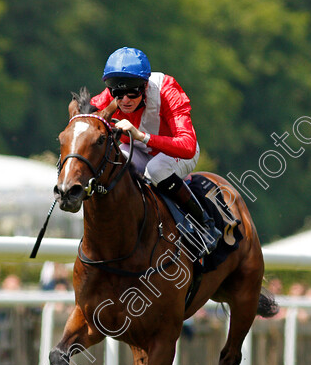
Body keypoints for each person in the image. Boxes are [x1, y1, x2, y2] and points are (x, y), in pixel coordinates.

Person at [90, 47, 221, 254]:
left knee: (156, 169)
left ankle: (203, 225)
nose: (124, 100)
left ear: (145, 85)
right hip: (139, 149)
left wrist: (143, 137)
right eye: (118, 92)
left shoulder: (167, 90)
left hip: (176, 153)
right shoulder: (108, 97)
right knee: (113, 165)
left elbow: (187, 146)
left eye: (132, 91)